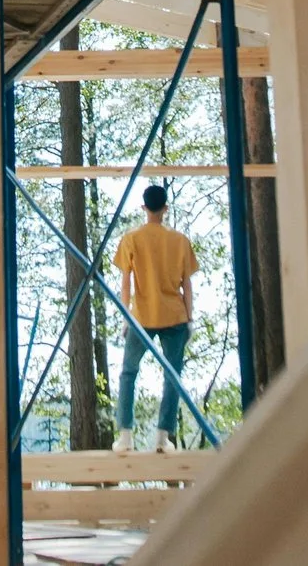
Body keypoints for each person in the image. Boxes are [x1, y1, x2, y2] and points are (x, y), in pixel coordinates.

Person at [110, 183, 198, 452]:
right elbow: (187, 285)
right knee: (172, 376)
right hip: (174, 315)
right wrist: (190, 319)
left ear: (143, 208)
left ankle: (125, 436)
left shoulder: (131, 238)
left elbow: (126, 282)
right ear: (166, 208)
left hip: (141, 316)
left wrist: (125, 316)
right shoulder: (180, 240)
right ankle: (162, 437)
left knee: (128, 374)